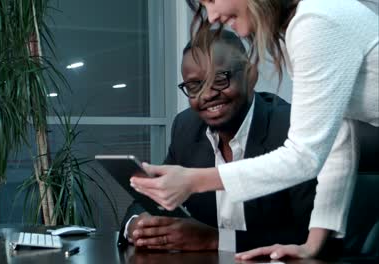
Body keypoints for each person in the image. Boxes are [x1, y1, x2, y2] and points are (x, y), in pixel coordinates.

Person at [130, 0, 378, 259]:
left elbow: (303, 157)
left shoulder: (315, 21)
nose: (212, 16)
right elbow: (339, 137)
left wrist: (193, 180)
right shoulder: (300, 27)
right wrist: (311, 245)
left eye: (212, 1)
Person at [118, 30, 326, 254]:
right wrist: (137, 225)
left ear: (250, 75)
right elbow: (150, 202)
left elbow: (311, 238)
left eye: (219, 79)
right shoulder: (187, 128)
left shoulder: (291, 129)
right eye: (195, 86)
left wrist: (215, 240)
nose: (207, 95)